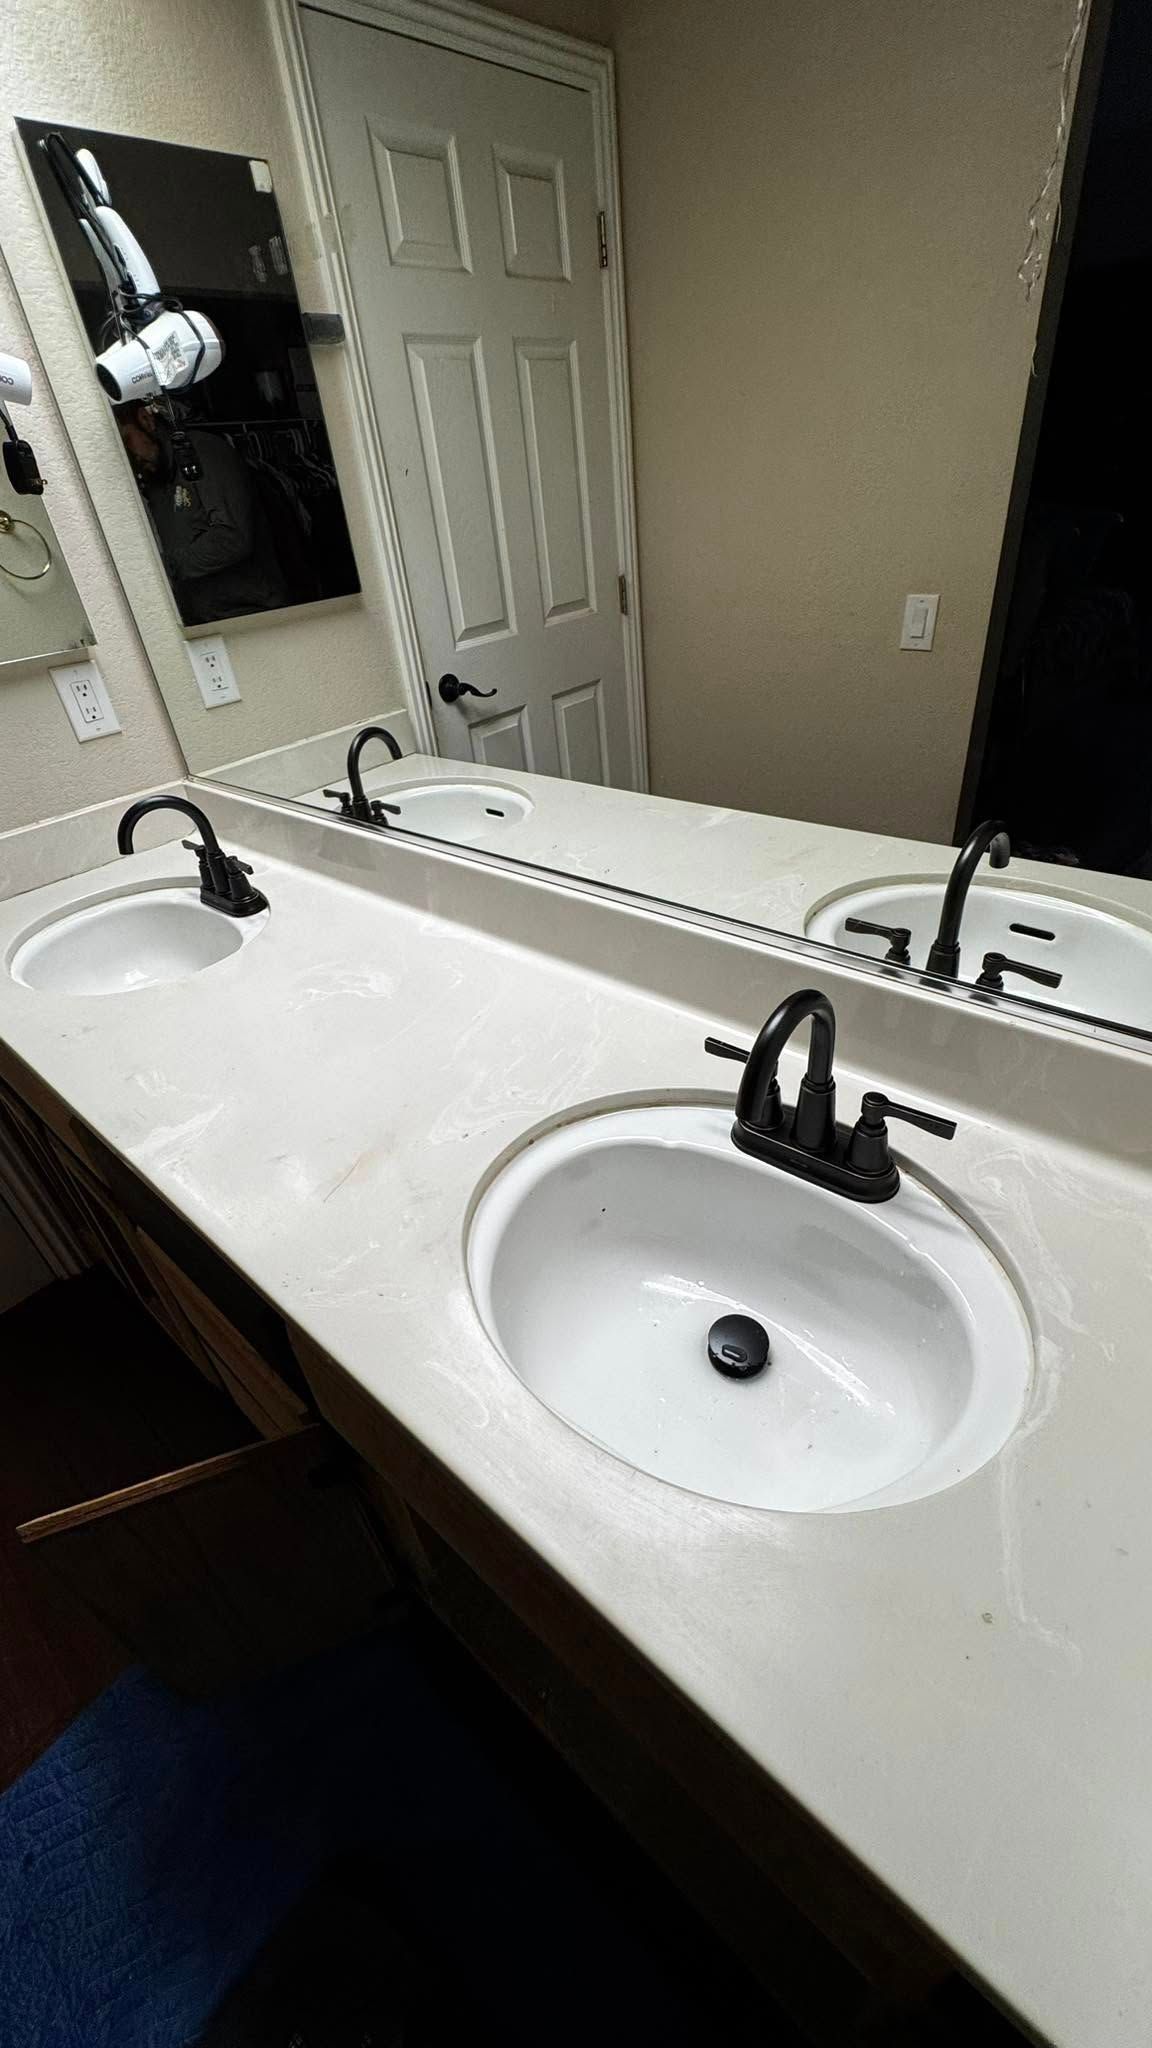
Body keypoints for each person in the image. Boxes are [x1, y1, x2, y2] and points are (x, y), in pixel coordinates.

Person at [114, 401, 289, 624]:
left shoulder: (202, 453)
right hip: (203, 620)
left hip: (251, 615)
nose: (129, 456)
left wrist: (165, 568)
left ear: (146, 420)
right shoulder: (154, 480)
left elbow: (232, 537)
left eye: (126, 441)